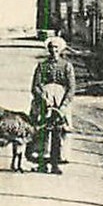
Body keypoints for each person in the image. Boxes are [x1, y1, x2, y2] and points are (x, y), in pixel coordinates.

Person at [30, 36, 77, 174]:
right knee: (42, 131)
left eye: (56, 48)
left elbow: (71, 88)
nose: (53, 50)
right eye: (51, 48)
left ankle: (56, 163)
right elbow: (35, 86)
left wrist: (64, 105)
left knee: (59, 131)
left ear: (60, 49)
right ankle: (41, 163)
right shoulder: (42, 66)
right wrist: (43, 98)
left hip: (61, 101)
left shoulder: (67, 66)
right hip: (45, 102)